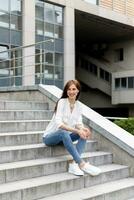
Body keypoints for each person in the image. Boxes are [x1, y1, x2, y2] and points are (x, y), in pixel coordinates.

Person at [43, 80, 101, 176]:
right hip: (50, 137)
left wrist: (83, 129)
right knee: (63, 132)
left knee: (83, 134)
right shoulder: (62, 102)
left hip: (64, 138)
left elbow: (79, 122)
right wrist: (77, 130)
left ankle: (74, 164)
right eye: (69, 89)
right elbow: (59, 124)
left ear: (78, 91)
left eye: (74, 89)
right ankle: (81, 164)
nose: (71, 91)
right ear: (66, 91)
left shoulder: (78, 105)